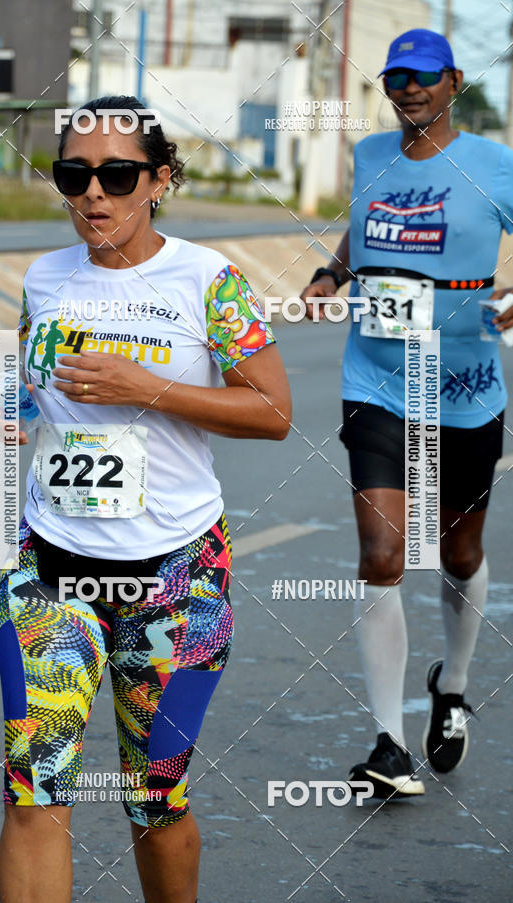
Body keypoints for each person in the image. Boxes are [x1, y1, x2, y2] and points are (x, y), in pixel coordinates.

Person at [0, 95, 291, 903]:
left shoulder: (208, 281)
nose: (94, 194)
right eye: (74, 175)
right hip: (54, 570)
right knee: (35, 788)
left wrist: (149, 388)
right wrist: (16, 415)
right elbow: (36, 385)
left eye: (118, 175)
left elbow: (272, 412)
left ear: (158, 180)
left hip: (178, 577)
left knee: (154, 799)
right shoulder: (43, 277)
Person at [300, 29, 513, 798]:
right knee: (384, 552)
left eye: (423, 78)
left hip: (464, 388)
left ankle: (451, 686)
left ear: (454, 81)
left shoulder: (494, 164)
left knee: (458, 552)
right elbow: (363, 233)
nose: (409, 89)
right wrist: (332, 271)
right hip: (379, 381)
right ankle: (389, 741)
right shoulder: (368, 157)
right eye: (396, 77)